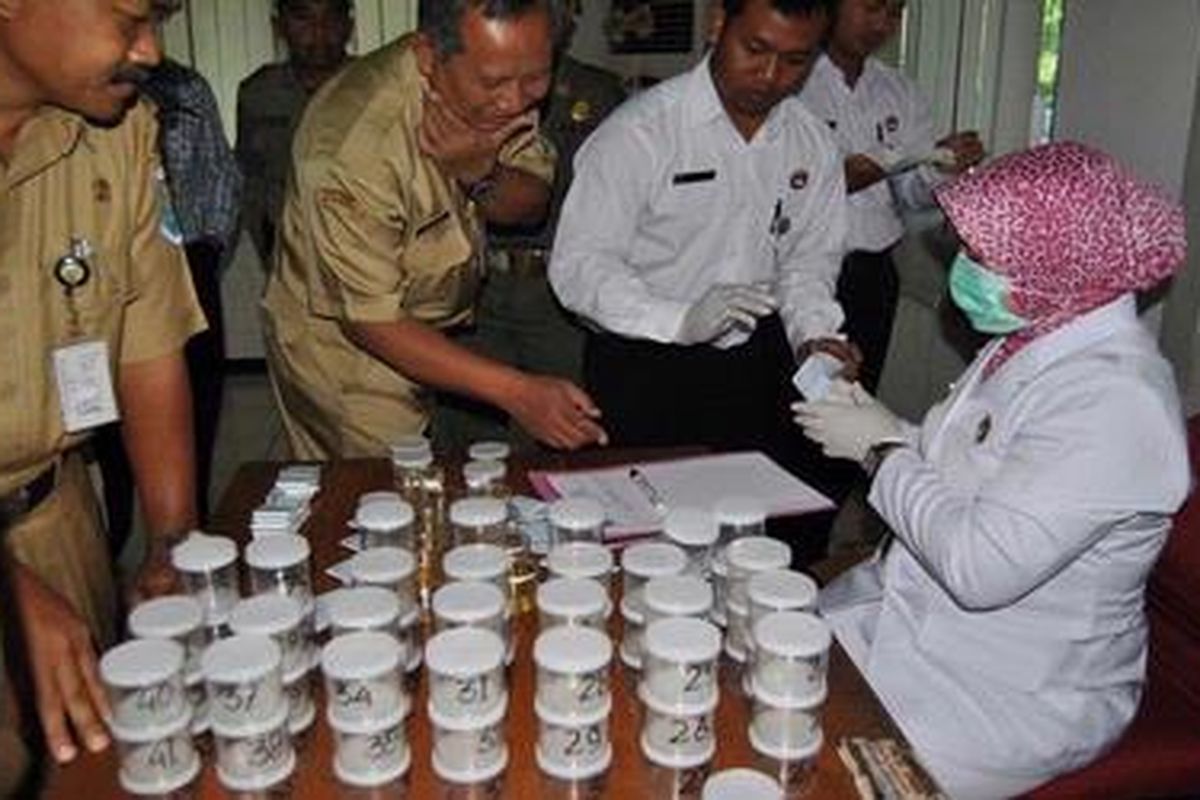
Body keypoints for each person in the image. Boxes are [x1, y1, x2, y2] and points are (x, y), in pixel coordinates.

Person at [794, 141, 1190, 797]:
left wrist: (879, 451)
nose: (964, 270)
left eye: (983, 257)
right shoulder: (1031, 334)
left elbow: (982, 570)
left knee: (811, 774)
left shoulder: (1118, 405)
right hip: (906, 617)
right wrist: (887, 424)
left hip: (1006, 690)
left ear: (1056, 262)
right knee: (746, 667)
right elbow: (977, 458)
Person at [549, 0, 854, 557]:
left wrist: (814, 336)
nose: (769, 76)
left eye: (794, 60)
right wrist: (679, 319)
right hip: (646, 361)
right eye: (755, 50)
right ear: (719, 23)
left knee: (757, 535)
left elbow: (810, 261)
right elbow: (581, 265)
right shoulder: (641, 132)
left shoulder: (812, 142)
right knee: (646, 539)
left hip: (757, 361)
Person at [0, 0, 205, 779]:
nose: (149, 50)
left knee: (87, 770)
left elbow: (145, 348)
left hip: (58, 515)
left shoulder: (119, 132)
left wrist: (170, 539)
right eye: (129, 18)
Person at [262, 0, 608, 460]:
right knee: (379, 493)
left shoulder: (504, 79)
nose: (516, 101)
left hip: (436, 318)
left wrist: (480, 172)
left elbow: (529, 205)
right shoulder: (351, 144)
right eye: (494, 82)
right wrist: (518, 392)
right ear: (428, 54)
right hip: (349, 354)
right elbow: (368, 319)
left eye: (537, 78)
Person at [433, 9, 627, 452]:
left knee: (568, 426)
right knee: (468, 429)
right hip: (478, 281)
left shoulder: (597, 91)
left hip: (556, 292)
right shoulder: (464, 77)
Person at [95, 54, 242, 556]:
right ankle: (112, 533)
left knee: (193, 408)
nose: (147, 46)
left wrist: (207, 249)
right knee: (107, 425)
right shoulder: (78, 103)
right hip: (108, 277)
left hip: (190, 259)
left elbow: (221, 174)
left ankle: (186, 530)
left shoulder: (185, 88)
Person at [798, 0, 984, 392]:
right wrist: (875, 165)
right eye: (872, 8)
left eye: (895, 13)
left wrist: (939, 166)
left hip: (872, 273)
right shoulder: (792, 79)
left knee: (855, 394)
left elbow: (908, 194)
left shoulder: (897, 88)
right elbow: (792, 186)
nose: (883, 23)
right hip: (800, 267)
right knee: (793, 398)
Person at [236, 0, 354, 267]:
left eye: (331, 18)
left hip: (360, 252)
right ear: (279, 26)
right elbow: (250, 183)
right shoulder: (259, 94)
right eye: (303, 18)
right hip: (287, 258)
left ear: (349, 25)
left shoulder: (376, 89)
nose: (319, 31)